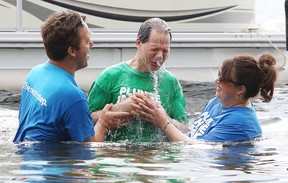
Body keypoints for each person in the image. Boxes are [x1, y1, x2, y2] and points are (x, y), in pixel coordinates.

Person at [13, 10, 129, 143]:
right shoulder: (73, 96)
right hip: (51, 162)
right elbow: (90, 151)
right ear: (72, 51)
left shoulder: (35, 73)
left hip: (26, 160)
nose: (91, 44)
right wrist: (103, 123)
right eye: (86, 41)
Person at [131, 53, 278, 142]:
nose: (216, 81)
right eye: (219, 74)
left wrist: (162, 122)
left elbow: (196, 149)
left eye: (223, 79)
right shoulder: (217, 102)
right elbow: (192, 132)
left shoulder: (240, 122)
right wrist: (157, 115)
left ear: (240, 89)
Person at [87, 17, 189, 142]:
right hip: (116, 157)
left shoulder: (171, 82)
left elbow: (184, 129)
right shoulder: (110, 76)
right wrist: (120, 108)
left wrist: (162, 119)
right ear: (138, 43)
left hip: (157, 158)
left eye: (165, 51)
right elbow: (86, 119)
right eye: (154, 49)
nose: (160, 56)